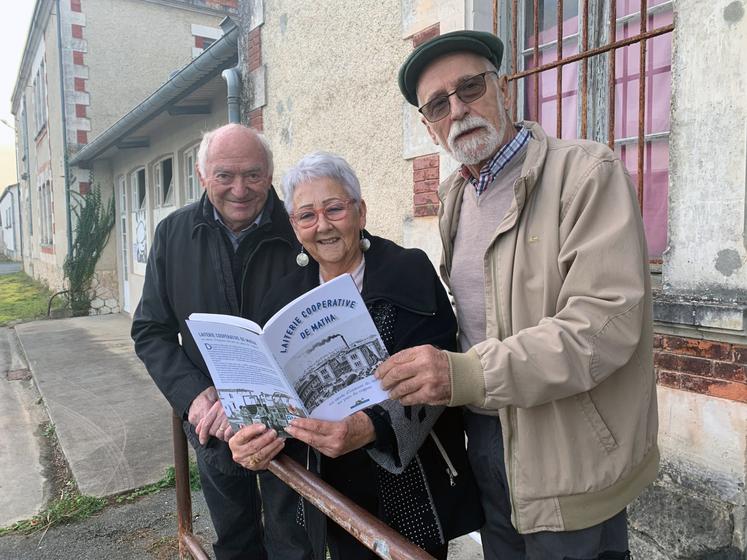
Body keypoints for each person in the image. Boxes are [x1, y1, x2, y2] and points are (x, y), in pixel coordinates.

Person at [376, 30, 659, 560]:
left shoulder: (586, 173)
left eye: (470, 87)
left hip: (568, 450)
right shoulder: (455, 196)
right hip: (487, 440)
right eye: (439, 103)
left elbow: (604, 327)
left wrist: (463, 373)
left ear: (504, 90)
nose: (458, 109)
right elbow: (478, 318)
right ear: (429, 126)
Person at [229, 151, 483, 560]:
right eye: (307, 216)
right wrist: (250, 439)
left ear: (360, 212)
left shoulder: (408, 271)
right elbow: (268, 395)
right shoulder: (280, 299)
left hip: (408, 485)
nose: (323, 226)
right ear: (295, 227)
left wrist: (369, 427)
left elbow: (436, 373)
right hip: (323, 486)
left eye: (334, 209)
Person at [131, 124, 314, 560]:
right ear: (201, 175)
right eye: (224, 176)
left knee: (295, 543)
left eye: (253, 175)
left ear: (270, 174)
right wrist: (193, 397)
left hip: (288, 428)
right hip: (213, 423)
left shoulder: (299, 230)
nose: (240, 189)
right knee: (234, 539)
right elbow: (151, 330)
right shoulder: (173, 235)